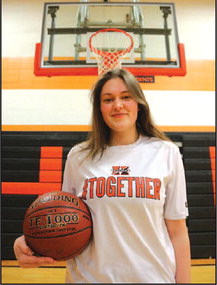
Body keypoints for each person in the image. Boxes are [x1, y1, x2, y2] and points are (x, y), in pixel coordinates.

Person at [14, 69, 191, 283]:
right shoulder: (79, 157)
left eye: (126, 97)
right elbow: (60, 219)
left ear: (139, 103)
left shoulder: (166, 152)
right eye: (108, 99)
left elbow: (177, 233)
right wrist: (28, 242)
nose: (118, 105)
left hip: (153, 278)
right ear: (99, 108)